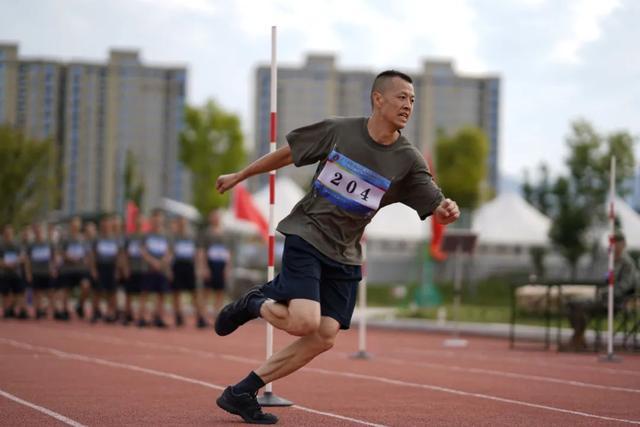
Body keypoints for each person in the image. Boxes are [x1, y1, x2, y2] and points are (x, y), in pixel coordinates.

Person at [213, 70, 460, 424]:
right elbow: (287, 155)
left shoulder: (408, 159)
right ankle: (254, 301)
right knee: (303, 322)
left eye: (413, 100)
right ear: (378, 98)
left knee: (324, 335)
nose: (408, 105)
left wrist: (446, 210)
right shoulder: (339, 130)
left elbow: (436, 202)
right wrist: (241, 175)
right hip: (307, 233)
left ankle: (241, 392)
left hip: (344, 252)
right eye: (402, 97)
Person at [567, 231, 639, 350]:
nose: (614, 246)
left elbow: (624, 287)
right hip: (605, 298)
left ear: (623, 244)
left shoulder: (627, 263)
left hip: (615, 302)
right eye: (612, 243)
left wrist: (605, 293)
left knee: (579, 306)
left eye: (617, 243)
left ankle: (577, 339)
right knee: (571, 304)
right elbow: (606, 280)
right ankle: (579, 337)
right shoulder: (612, 261)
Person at [170, 216, 207, 328]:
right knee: (176, 292)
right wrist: (168, 269)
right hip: (177, 265)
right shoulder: (173, 237)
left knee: (195, 293)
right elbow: (169, 252)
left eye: (184, 223)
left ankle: (200, 317)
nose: (182, 225)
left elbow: (199, 252)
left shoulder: (192, 236)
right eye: (180, 223)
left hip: (189, 266)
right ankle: (178, 316)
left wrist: (199, 267)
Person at [140, 209, 171, 328]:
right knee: (145, 293)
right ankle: (142, 318)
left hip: (162, 269)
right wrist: (153, 262)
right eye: (155, 219)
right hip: (149, 268)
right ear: (151, 220)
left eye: (160, 219)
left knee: (161, 294)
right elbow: (143, 251)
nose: (158, 221)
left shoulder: (166, 235)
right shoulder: (146, 235)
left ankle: (158, 317)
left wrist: (162, 262)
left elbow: (169, 252)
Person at [56, 217, 92, 321]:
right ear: (71, 226)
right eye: (73, 225)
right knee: (65, 290)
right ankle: (64, 310)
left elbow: (88, 253)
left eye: (77, 225)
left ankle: (79, 305)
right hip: (67, 269)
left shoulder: (83, 239)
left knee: (86, 286)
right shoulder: (65, 238)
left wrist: (86, 260)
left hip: (81, 269)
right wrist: (69, 257)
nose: (75, 227)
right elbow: (60, 252)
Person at [198, 210, 231, 322]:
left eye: (218, 216)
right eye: (214, 216)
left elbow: (228, 252)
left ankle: (217, 316)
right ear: (210, 218)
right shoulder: (206, 233)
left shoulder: (225, 233)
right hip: (210, 263)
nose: (216, 218)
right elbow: (202, 251)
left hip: (221, 264)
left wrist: (227, 267)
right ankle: (202, 317)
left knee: (220, 291)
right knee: (206, 291)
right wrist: (204, 267)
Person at [90, 215, 122, 323]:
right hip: (100, 266)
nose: (106, 226)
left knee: (111, 291)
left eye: (108, 224)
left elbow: (118, 255)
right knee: (97, 291)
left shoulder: (116, 238)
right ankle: (95, 312)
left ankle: (110, 313)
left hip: (111, 267)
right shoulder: (97, 238)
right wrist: (93, 269)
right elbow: (93, 255)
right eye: (104, 224)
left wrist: (117, 269)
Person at [24, 222, 57, 319]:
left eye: (40, 230)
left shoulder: (49, 243)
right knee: (37, 293)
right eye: (36, 230)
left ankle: (52, 311)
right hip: (35, 271)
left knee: (51, 292)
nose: (38, 232)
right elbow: (28, 261)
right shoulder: (31, 245)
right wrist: (28, 273)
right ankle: (38, 311)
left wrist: (53, 269)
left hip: (47, 271)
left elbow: (53, 258)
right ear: (34, 232)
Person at [122, 214, 146, 326]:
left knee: (142, 293)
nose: (139, 223)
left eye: (141, 221)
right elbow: (125, 254)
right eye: (137, 221)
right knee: (129, 293)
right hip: (132, 268)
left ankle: (141, 317)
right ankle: (128, 315)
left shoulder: (146, 237)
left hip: (143, 268)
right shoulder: (129, 237)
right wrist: (126, 267)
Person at [0, 225, 28, 319]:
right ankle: (6, 311)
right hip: (4, 273)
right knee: (5, 294)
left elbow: (23, 257)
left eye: (10, 233)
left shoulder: (18, 245)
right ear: (3, 234)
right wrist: (6, 264)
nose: (8, 235)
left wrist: (17, 261)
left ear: (13, 234)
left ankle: (21, 311)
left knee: (19, 292)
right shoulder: (1, 246)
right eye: (6, 233)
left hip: (16, 273)